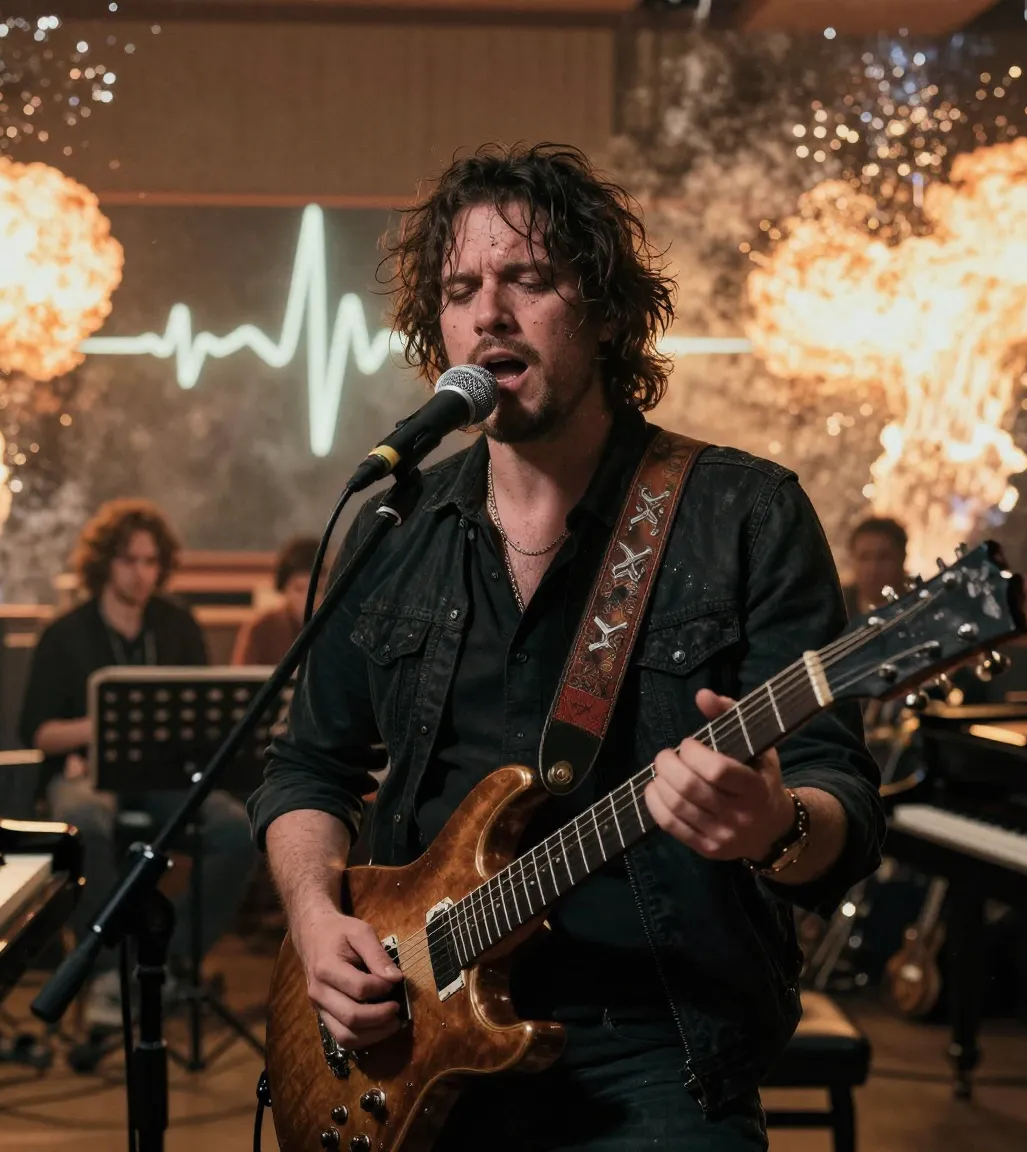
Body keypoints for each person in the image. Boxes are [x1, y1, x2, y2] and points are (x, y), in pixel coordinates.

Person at [248, 143, 884, 1149]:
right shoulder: (396, 530)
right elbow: (306, 771)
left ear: (605, 312)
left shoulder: (740, 516)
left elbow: (838, 799)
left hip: (656, 1046)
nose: (488, 314)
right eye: (460, 289)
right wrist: (315, 922)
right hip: (412, 1037)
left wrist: (773, 826)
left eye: (529, 279)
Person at [17, 498, 256, 1020]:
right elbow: (38, 733)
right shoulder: (65, 633)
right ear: (105, 562)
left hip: (163, 775)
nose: (141, 573)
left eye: (151, 561)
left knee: (239, 831)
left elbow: (200, 717)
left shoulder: (177, 625)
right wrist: (102, 729)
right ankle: (106, 972)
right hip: (87, 773)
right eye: (129, 560)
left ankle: (164, 960)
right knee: (82, 820)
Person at [230, 536, 319, 665]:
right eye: (299, 589)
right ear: (284, 589)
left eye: (317, 589)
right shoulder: (261, 628)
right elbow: (243, 675)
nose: (308, 598)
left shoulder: (336, 626)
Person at [843, 515, 910, 619]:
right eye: (864, 558)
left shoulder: (921, 604)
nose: (873, 568)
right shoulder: (837, 609)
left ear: (902, 558)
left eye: (884, 557)